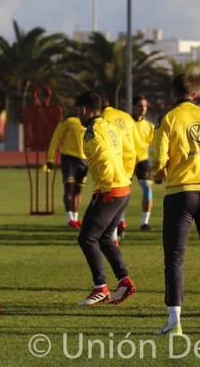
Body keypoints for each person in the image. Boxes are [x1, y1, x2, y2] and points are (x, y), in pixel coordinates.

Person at [153, 74, 200, 335]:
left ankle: (174, 322)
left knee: (175, 258)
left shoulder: (169, 119)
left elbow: (159, 157)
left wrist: (159, 172)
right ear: (195, 94)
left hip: (180, 193)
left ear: (174, 93)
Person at [74, 92, 136, 306]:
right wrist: (124, 177)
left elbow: (104, 158)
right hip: (123, 187)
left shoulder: (92, 131)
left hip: (109, 189)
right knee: (106, 238)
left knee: (87, 238)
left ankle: (100, 287)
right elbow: (130, 152)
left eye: (77, 111)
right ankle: (124, 281)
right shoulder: (111, 126)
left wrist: (107, 186)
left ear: (84, 109)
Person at [101, 95, 137, 242]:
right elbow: (134, 140)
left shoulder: (101, 118)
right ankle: (121, 222)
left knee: (111, 200)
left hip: (114, 163)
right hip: (129, 162)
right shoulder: (126, 116)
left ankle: (113, 238)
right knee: (122, 195)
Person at [46, 112, 88, 228]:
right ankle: (70, 219)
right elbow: (56, 138)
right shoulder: (68, 122)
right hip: (69, 159)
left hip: (84, 161)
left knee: (78, 191)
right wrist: (50, 158)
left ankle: (75, 218)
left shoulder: (91, 123)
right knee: (69, 187)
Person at [132, 95, 155, 230]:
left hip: (143, 160)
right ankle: (120, 221)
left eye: (145, 106)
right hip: (126, 161)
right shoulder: (126, 122)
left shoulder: (149, 126)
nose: (143, 109)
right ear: (134, 107)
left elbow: (156, 145)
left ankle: (144, 222)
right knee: (122, 192)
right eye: (140, 106)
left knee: (148, 189)